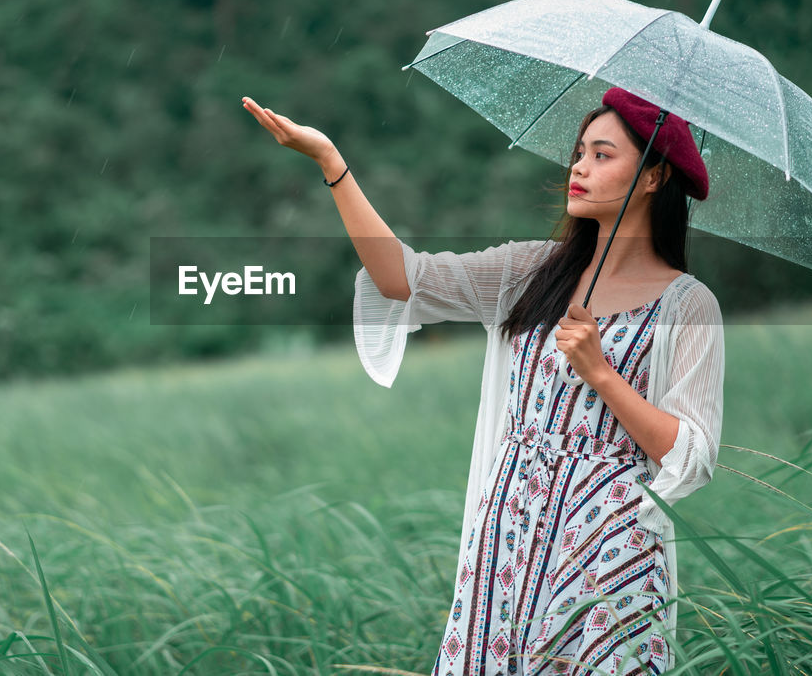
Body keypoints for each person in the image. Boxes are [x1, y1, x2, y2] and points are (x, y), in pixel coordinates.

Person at [241, 87, 724, 675]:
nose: (578, 166)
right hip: (508, 536)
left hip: (611, 548)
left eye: (603, 155)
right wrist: (330, 162)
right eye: (579, 152)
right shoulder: (529, 272)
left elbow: (691, 454)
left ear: (653, 178)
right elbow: (402, 278)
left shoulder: (688, 304)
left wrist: (601, 374)